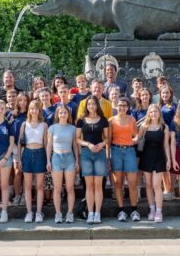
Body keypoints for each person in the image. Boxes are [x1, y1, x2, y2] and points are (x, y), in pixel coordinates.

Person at [76, 96, 110, 224]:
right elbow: (77, 138)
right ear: (86, 106)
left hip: (100, 153)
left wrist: (102, 144)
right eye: (89, 104)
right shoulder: (81, 120)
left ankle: (97, 213)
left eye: (93, 104)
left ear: (97, 105)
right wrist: (88, 144)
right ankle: (90, 213)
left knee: (98, 185)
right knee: (89, 185)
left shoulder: (103, 120)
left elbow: (107, 138)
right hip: (86, 153)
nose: (91, 106)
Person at [137, 104, 171, 222]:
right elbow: (137, 139)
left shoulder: (164, 127)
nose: (153, 114)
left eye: (155, 112)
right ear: (148, 114)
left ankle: (159, 211)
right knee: (148, 185)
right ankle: (152, 209)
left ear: (159, 113)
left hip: (159, 157)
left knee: (157, 185)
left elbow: (166, 145)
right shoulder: (144, 126)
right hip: (146, 157)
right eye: (151, 112)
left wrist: (169, 160)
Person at [46, 105, 79, 223]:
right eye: (61, 113)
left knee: (70, 188)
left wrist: (77, 161)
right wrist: (48, 161)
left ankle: (70, 213)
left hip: (69, 157)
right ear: (57, 115)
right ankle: (58, 213)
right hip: (56, 158)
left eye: (65, 113)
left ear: (68, 114)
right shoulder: (52, 128)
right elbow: (49, 145)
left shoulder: (72, 128)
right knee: (57, 188)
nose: (63, 115)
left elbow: (75, 145)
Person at [109, 97, 139, 221]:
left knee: (132, 183)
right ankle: (121, 211)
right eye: (120, 105)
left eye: (124, 105)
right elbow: (108, 139)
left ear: (128, 107)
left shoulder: (132, 119)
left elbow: (136, 134)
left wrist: (136, 139)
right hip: (115, 150)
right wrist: (107, 156)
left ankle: (134, 210)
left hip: (129, 151)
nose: (121, 107)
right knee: (118, 183)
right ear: (116, 106)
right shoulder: (111, 120)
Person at [18, 100, 48, 223]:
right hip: (27, 154)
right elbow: (20, 144)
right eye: (31, 108)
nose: (33, 111)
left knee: (40, 186)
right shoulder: (24, 124)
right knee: (28, 186)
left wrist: (48, 159)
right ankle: (29, 212)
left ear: (39, 110)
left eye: (36, 108)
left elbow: (46, 143)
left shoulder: (44, 125)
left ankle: (39, 212)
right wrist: (19, 158)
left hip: (40, 153)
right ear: (29, 110)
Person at [10, 92, 30, 206]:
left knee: (26, 172)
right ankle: (17, 195)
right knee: (17, 172)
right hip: (15, 146)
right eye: (20, 100)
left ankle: (24, 195)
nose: (22, 102)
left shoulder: (30, 114)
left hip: (28, 146)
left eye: (25, 100)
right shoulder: (13, 115)